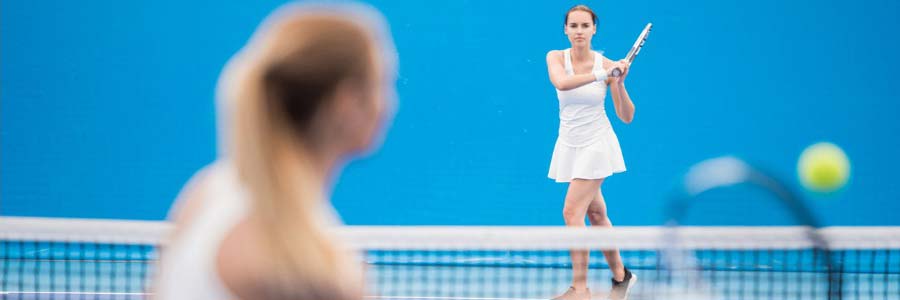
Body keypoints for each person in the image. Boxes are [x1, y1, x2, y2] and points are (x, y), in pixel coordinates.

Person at [153, 2, 397, 299]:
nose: (389, 104)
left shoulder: (205, 193)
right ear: (346, 103)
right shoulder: (306, 267)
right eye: (383, 84)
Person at [545, 4, 637, 300]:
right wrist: (603, 74)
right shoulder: (556, 57)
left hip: (597, 144)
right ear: (566, 30)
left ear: (594, 29)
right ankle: (622, 277)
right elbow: (561, 82)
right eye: (574, 26)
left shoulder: (608, 65)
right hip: (570, 144)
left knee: (572, 211)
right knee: (596, 214)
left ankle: (580, 289)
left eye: (585, 26)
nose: (579, 31)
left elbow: (626, 116)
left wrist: (618, 83)